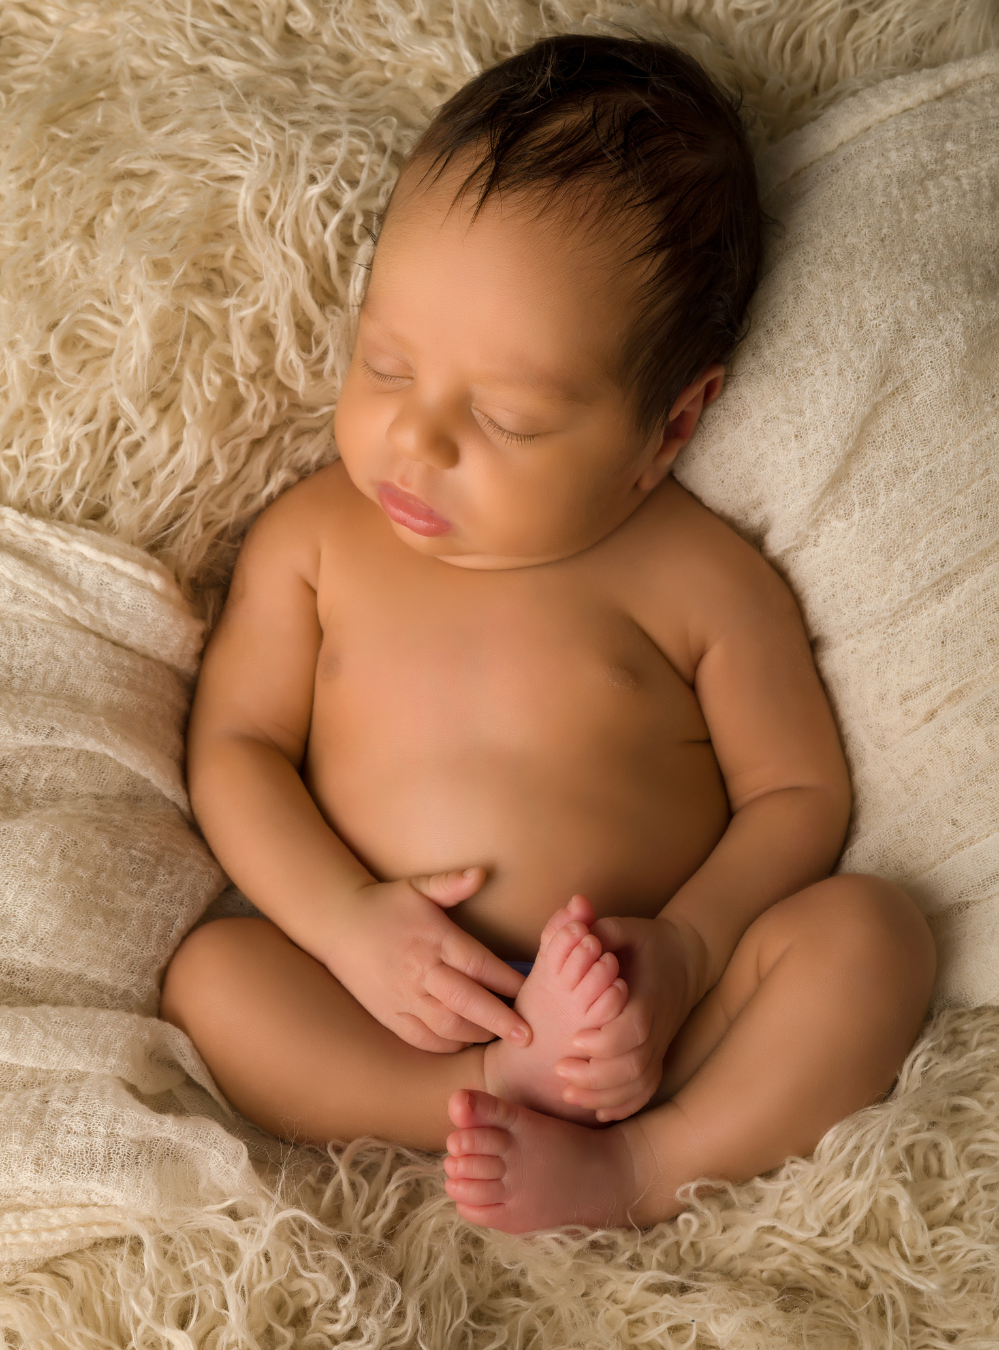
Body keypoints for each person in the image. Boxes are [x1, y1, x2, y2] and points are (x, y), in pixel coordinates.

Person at [159, 34, 935, 1234]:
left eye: (511, 419)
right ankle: (472, 1099)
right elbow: (236, 751)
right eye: (386, 364)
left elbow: (797, 794)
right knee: (213, 979)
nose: (416, 441)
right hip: (389, 1013)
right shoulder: (313, 541)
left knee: (874, 936)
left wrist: (688, 950)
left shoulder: (703, 577)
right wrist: (343, 922)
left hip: (657, 1027)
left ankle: (648, 1167)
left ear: (668, 429)